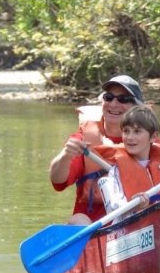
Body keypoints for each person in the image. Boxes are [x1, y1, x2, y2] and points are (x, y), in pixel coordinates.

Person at [49, 75, 145, 225]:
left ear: (137, 107)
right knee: (78, 220)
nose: (113, 104)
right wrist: (66, 156)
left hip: (134, 229)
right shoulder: (83, 139)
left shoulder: (149, 141)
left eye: (124, 99)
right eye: (108, 97)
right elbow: (57, 181)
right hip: (94, 232)